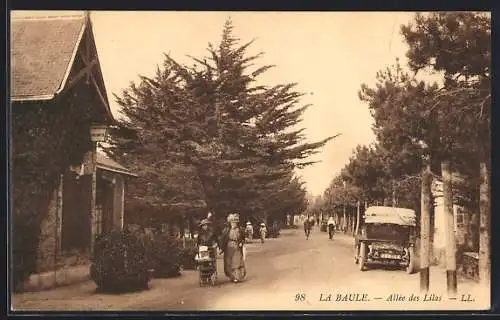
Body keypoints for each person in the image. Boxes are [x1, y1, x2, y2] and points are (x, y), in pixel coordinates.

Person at [219, 213, 246, 283]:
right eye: (232, 222)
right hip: (228, 247)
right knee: (228, 262)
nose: (234, 224)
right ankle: (231, 276)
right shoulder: (227, 230)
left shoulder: (240, 230)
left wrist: (241, 242)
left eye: (235, 222)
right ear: (230, 222)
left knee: (236, 262)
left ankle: (237, 277)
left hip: (236, 246)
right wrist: (221, 248)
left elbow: (243, 238)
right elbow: (222, 239)